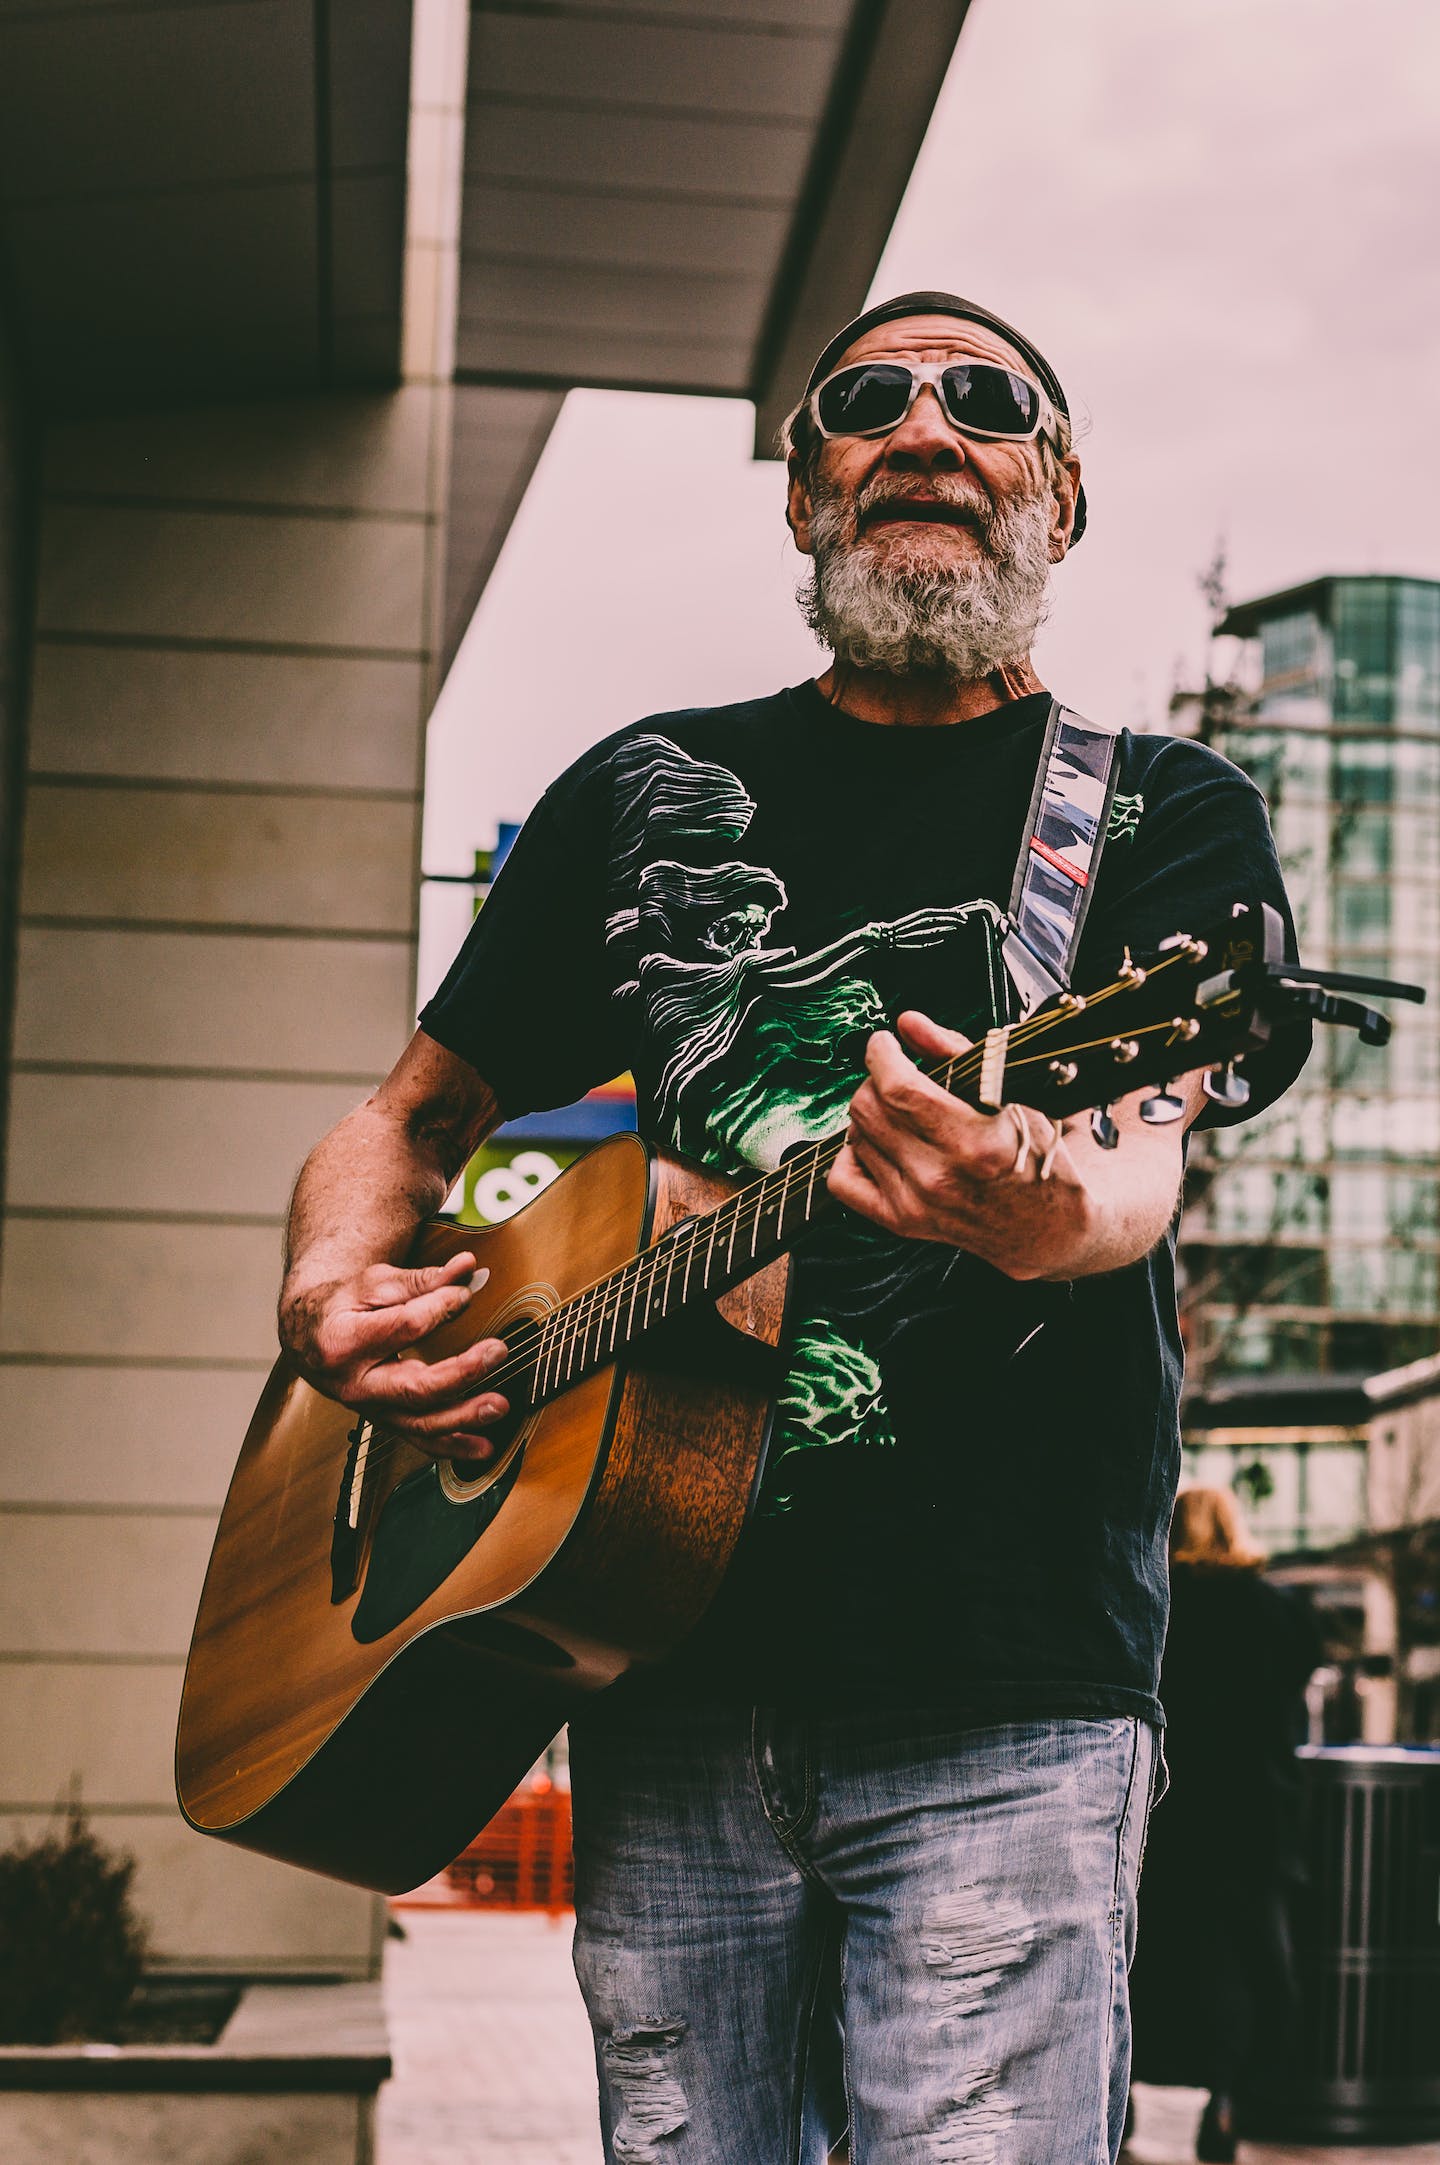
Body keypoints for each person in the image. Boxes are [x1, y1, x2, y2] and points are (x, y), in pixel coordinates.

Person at [277, 291, 1311, 2164]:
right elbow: (407, 1117)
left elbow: (1142, 1166)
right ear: (802, 491)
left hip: (1004, 1689)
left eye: (985, 401)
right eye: (865, 401)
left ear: (1056, 497)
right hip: (646, 1658)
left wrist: (1039, 1205)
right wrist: (335, 1280)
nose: (925, 426)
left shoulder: (1162, 812)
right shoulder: (636, 794)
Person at [1129, 1487, 1322, 2163]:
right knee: (1247, 1961)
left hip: (1166, 1814)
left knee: (1147, 1956)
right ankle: (1228, 2094)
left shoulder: (1153, 1601)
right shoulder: (1276, 1609)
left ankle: (1131, 2105)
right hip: (1254, 1818)